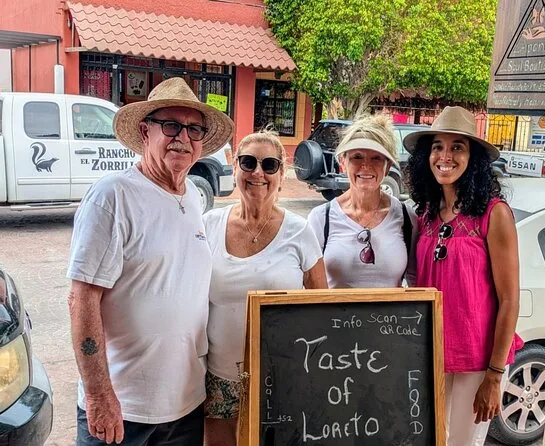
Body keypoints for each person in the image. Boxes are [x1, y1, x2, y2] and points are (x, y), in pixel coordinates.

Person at [67, 77, 234, 446]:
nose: (183, 137)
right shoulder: (113, 196)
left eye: (194, 129)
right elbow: (82, 299)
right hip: (124, 409)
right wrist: (98, 396)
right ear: (145, 132)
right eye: (171, 125)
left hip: (185, 406)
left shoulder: (192, 197)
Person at [403, 106, 523, 446]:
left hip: (476, 361)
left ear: (473, 159)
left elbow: (510, 299)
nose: (446, 156)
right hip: (432, 354)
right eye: (438, 146)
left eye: (457, 147)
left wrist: (494, 376)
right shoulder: (426, 215)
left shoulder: (493, 214)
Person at [203, 130, 327, 445]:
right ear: (235, 168)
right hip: (219, 376)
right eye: (248, 162)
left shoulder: (300, 232)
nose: (258, 172)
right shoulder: (209, 225)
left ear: (281, 175)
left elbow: (322, 308)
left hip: (283, 377)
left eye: (269, 165)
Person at [307, 115, 416, 288]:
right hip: (335, 307)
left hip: (392, 308)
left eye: (376, 158)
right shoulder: (321, 218)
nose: (366, 165)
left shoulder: (406, 217)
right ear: (343, 162)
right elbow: (310, 284)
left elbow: (415, 281)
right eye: (357, 157)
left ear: (387, 166)